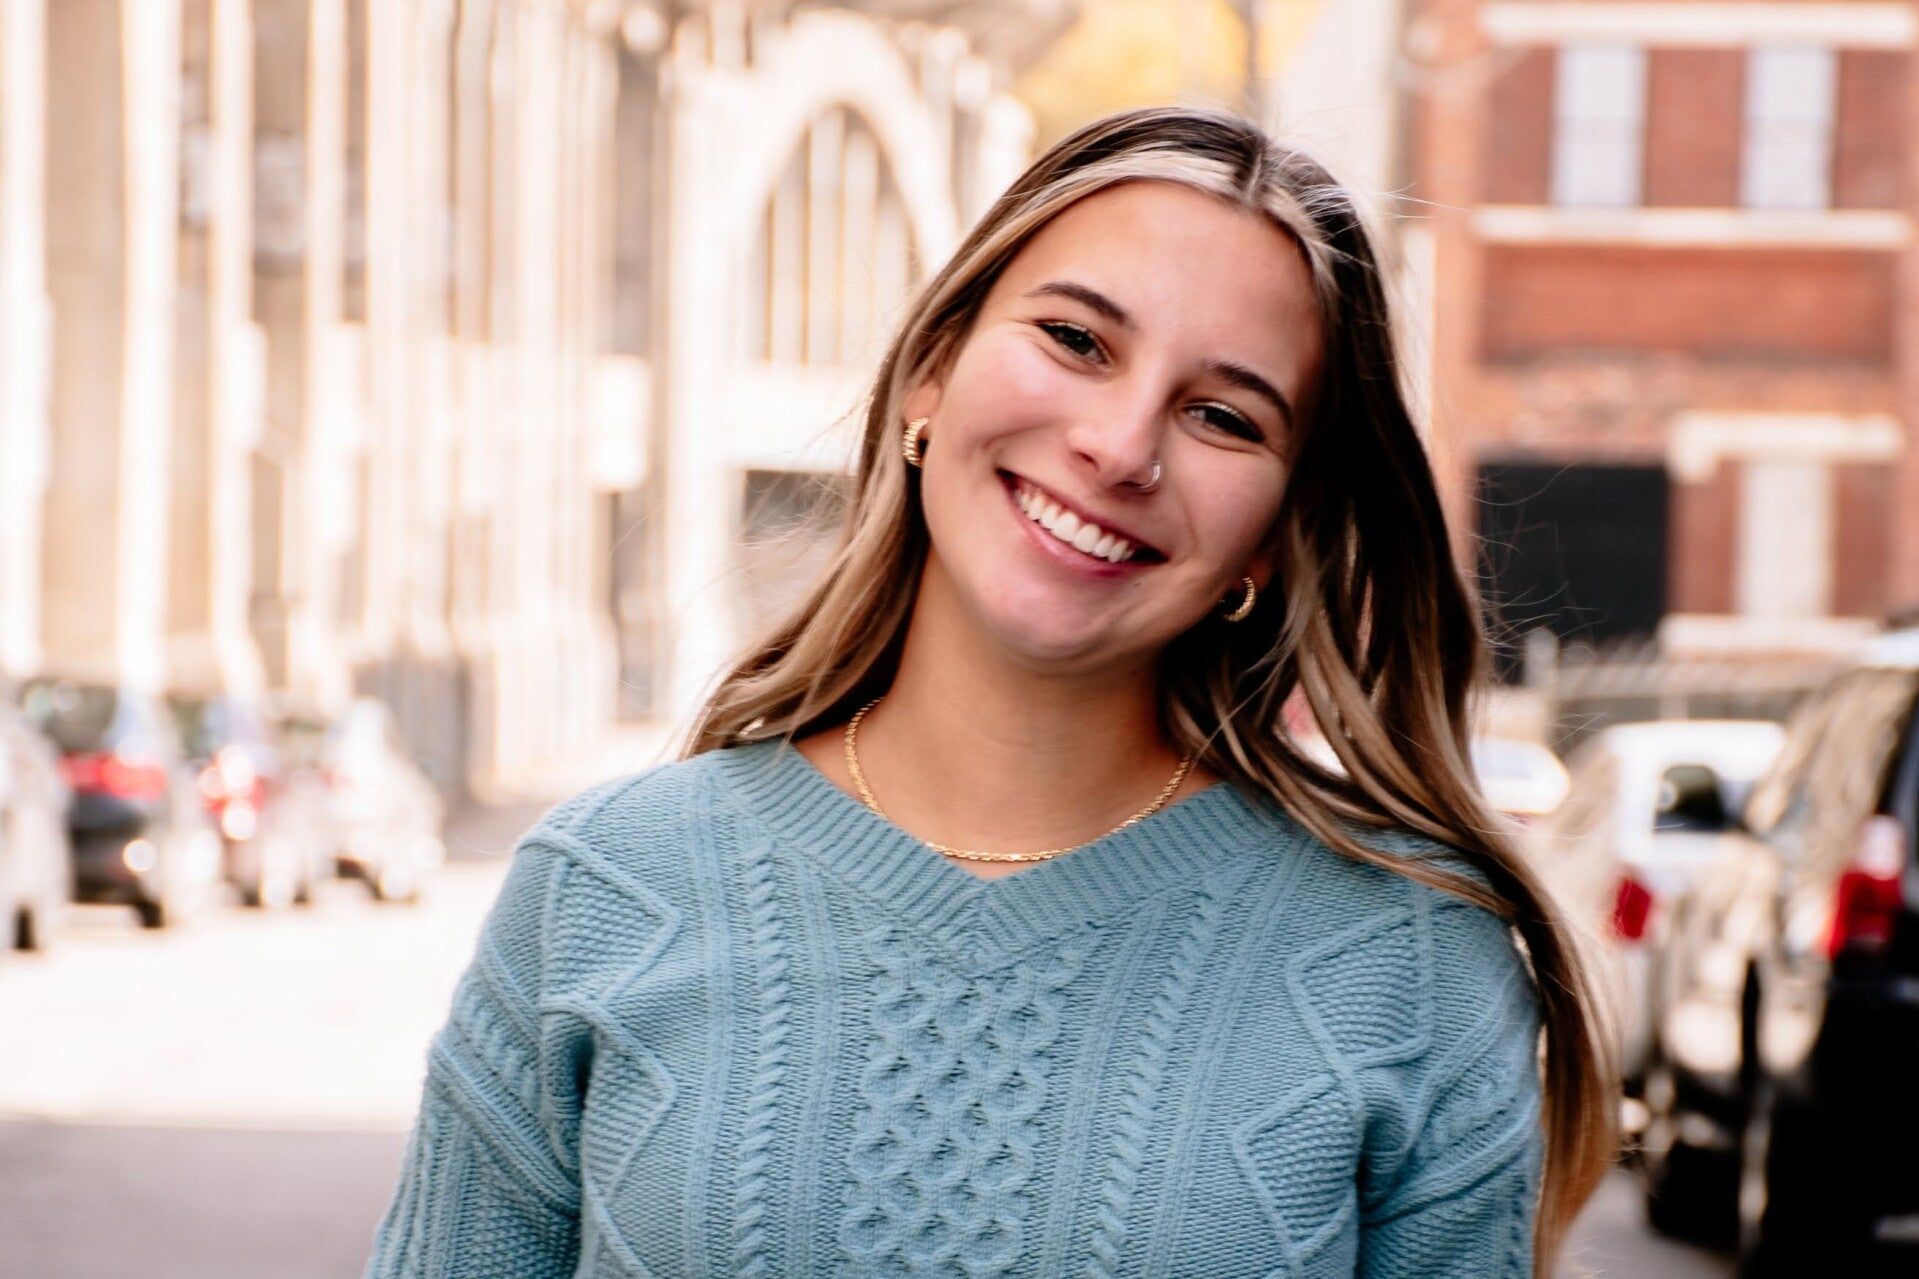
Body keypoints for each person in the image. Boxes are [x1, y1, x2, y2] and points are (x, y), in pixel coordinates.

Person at [363, 104, 1615, 1278]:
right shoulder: (605, 889)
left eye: (1224, 416)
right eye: (1075, 340)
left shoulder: (1410, 967)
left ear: (1277, 537)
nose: (1119, 447)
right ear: (929, 377)